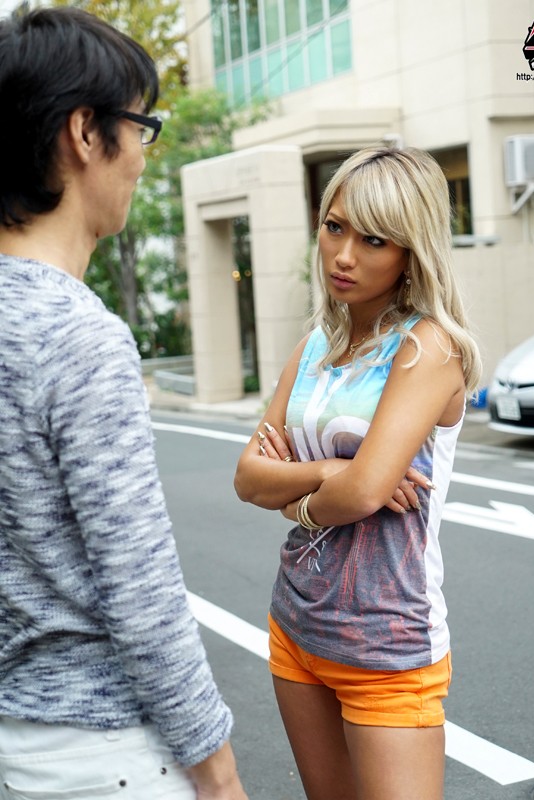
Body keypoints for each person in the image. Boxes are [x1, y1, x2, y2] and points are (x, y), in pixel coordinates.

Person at [0, 7, 247, 800]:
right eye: (142, 126)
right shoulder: (78, 336)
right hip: (99, 756)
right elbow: (140, 592)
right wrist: (219, 774)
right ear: (84, 132)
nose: (143, 154)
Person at [234, 145, 481, 800]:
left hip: (387, 641)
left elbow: (366, 492)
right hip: (295, 622)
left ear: (410, 250)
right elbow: (248, 476)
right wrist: (327, 471)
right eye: (334, 227)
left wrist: (300, 495)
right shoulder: (315, 346)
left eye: (373, 239)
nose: (343, 255)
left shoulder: (427, 347)